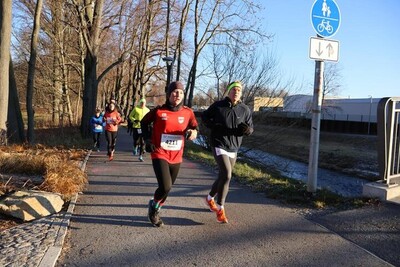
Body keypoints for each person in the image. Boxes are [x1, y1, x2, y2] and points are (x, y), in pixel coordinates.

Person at [141, 81, 198, 227]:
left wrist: (193, 133)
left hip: (177, 155)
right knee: (165, 186)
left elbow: (195, 127)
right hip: (159, 152)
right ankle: (154, 210)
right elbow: (144, 122)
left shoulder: (188, 112)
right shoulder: (159, 111)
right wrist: (147, 140)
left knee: (168, 188)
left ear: (183, 95)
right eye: (174, 92)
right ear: (168, 94)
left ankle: (155, 206)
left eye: (180, 92)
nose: (177, 94)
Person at [201, 81, 253, 223]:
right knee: (227, 175)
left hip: (234, 147)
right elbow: (204, 116)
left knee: (222, 177)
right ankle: (220, 208)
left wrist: (248, 131)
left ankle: (209, 198)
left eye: (239, 90)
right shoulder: (218, 106)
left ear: (241, 93)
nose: (236, 92)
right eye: (234, 89)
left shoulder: (245, 109)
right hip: (218, 143)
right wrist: (212, 125)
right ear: (228, 91)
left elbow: (251, 127)